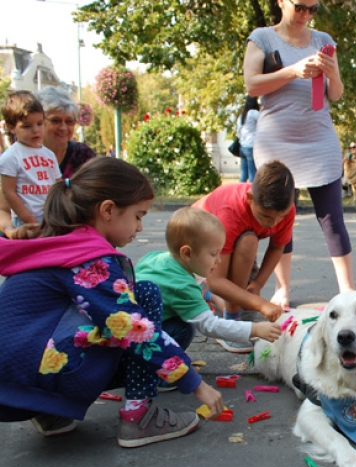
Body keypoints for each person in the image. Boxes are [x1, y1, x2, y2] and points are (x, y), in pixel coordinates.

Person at [0, 158, 224, 446]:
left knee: (128, 300)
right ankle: (139, 417)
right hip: (33, 376)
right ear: (108, 210)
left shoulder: (61, 241)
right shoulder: (91, 258)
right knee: (144, 296)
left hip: (15, 380)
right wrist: (193, 381)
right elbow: (132, 326)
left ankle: (50, 410)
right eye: (138, 216)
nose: (141, 227)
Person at [243, 0, 354, 309]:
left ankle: (348, 293)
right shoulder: (262, 38)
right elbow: (252, 85)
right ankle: (282, 289)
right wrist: (293, 70)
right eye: (300, 6)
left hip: (319, 139)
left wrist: (333, 74)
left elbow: (335, 94)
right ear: (282, 2)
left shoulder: (324, 41)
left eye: (313, 8)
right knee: (280, 217)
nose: (306, 14)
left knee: (332, 218)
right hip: (276, 141)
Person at [135, 207, 281, 362]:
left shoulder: (154, 257)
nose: (219, 260)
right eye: (213, 254)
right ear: (187, 253)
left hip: (128, 327)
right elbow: (209, 325)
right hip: (139, 340)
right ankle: (160, 369)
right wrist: (255, 329)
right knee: (186, 327)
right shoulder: (182, 287)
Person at [192, 160, 294, 353]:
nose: (273, 224)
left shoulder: (284, 210)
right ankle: (230, 323)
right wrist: (261, 303)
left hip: (229, 242)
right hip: (197, 244)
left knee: (244, 303)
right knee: (248, 242)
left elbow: (276, 248)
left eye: (280, 217)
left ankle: (206, 293)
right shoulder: (230, 212)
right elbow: (217, 280)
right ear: (250, 199)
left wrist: (257, 285)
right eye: (266, 217)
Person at [0, 90, 60, 226]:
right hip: (27, 219)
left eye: (40, 123)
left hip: (52, 215)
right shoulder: (10, 157)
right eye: (27, 126)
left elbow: (57, 184)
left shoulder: (49, 154)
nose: (35, 130)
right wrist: (28, 220)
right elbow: (8, 192)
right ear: (11, 127)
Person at [36, 86, 97, 178]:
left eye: (69, 121)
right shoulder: (24, 156)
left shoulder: (83, 155)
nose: (63, 128)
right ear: (39, 122)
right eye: (55, 121)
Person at [237, 96, 260, 182]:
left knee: (244, 174)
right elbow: (264, 122)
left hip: (243, 147)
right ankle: (251, 194)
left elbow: (239, 132)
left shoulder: (242, 116)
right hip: (251, 146)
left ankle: (240, 193)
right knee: (252, 176)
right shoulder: (253, 113)